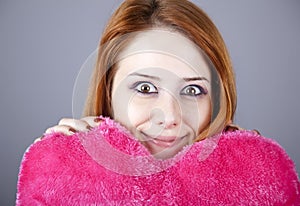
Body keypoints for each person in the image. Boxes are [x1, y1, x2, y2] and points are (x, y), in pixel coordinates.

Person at [17, 0, 299, 204]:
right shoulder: (63, 182)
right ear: (108, 92)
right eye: (145, 87)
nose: (169, 116)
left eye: (192, 90)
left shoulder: (258, 187)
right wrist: (64, 173)